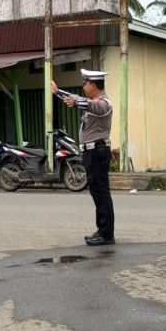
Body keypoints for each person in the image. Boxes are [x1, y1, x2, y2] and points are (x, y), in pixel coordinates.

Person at [51, 70, 116, 246]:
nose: (83, 86)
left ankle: (107, 235)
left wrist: (75, 101)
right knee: (97, 192)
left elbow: (86, 104)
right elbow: (77, 98)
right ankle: (102, 230)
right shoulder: (94, 101)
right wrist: (59, 93)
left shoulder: (104, 103)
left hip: (97, 152)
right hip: (91, 153)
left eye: (85, 83)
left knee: (101, 193)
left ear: (93, 85)